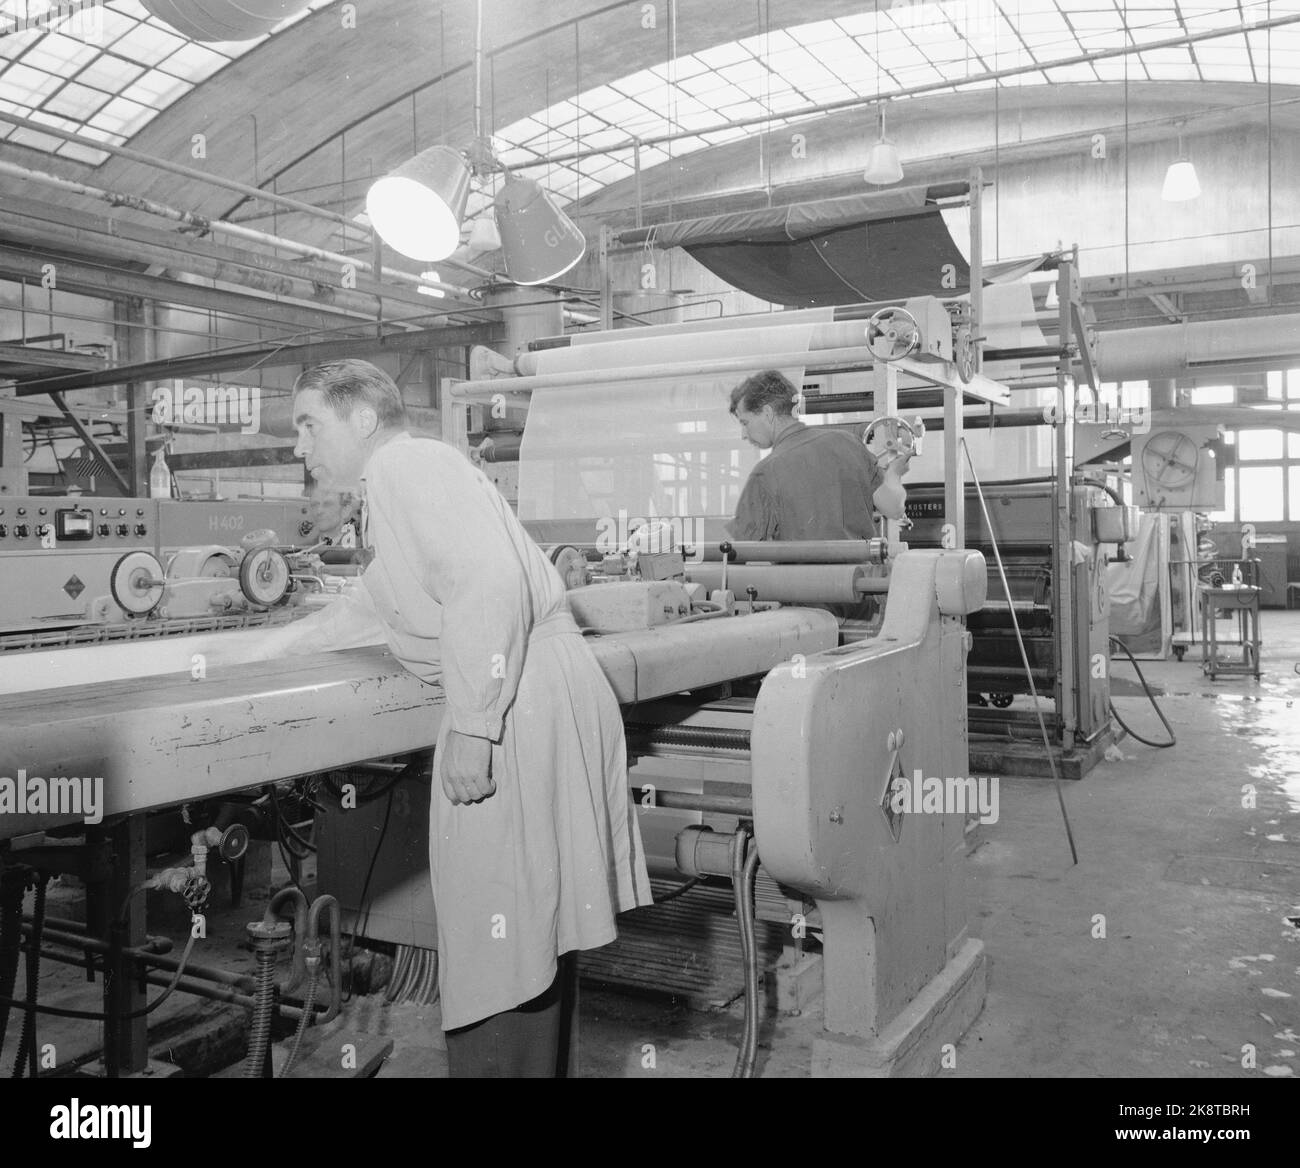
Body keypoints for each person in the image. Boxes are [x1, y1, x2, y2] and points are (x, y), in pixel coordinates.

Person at [241, 359, 652, 1076]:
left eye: (309, 425)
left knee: (500, 932)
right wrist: (258, 656)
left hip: (514, 699)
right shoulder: (397, 483)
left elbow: (486, 580)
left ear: (362, 418)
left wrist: (472, 724)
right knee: (529, 922)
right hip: (529, 691)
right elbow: (366, 608)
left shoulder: (408, 466)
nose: (298, 447)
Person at [728, 369, 886, 619]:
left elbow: (736, 557)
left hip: (808, 612)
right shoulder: (848, 443)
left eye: (745, 422)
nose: (743, 434)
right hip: (861, 595)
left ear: (768, 413)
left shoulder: (765, 474)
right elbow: (892, 504)